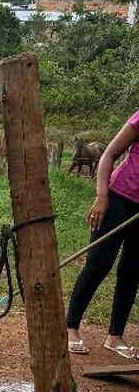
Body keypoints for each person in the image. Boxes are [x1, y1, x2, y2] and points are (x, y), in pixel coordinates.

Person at [67, 110, 139, 358]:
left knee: (132, 271)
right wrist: (101, 196)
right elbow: (109, 154)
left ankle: (115, 336)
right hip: (117, 198)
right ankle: (70, 327)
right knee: (98, 264)